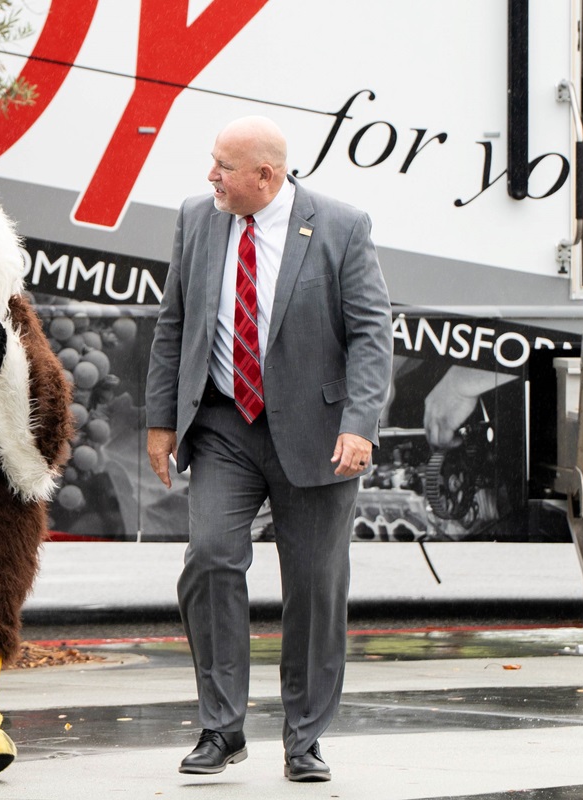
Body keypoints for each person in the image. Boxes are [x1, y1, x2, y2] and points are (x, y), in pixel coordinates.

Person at [145, 116, 393, 782]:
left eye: (224, 166)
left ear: (267, 175)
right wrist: (160, 420)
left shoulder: (340, 226)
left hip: (317, 435)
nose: (210, 176)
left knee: (314, 585)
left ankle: (304, 737)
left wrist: (359, 423)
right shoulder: (199, 217)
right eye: (212, 162)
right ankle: (222, 728)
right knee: (210, 560)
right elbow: (174, 323)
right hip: (224, 425)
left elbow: (372, 334)